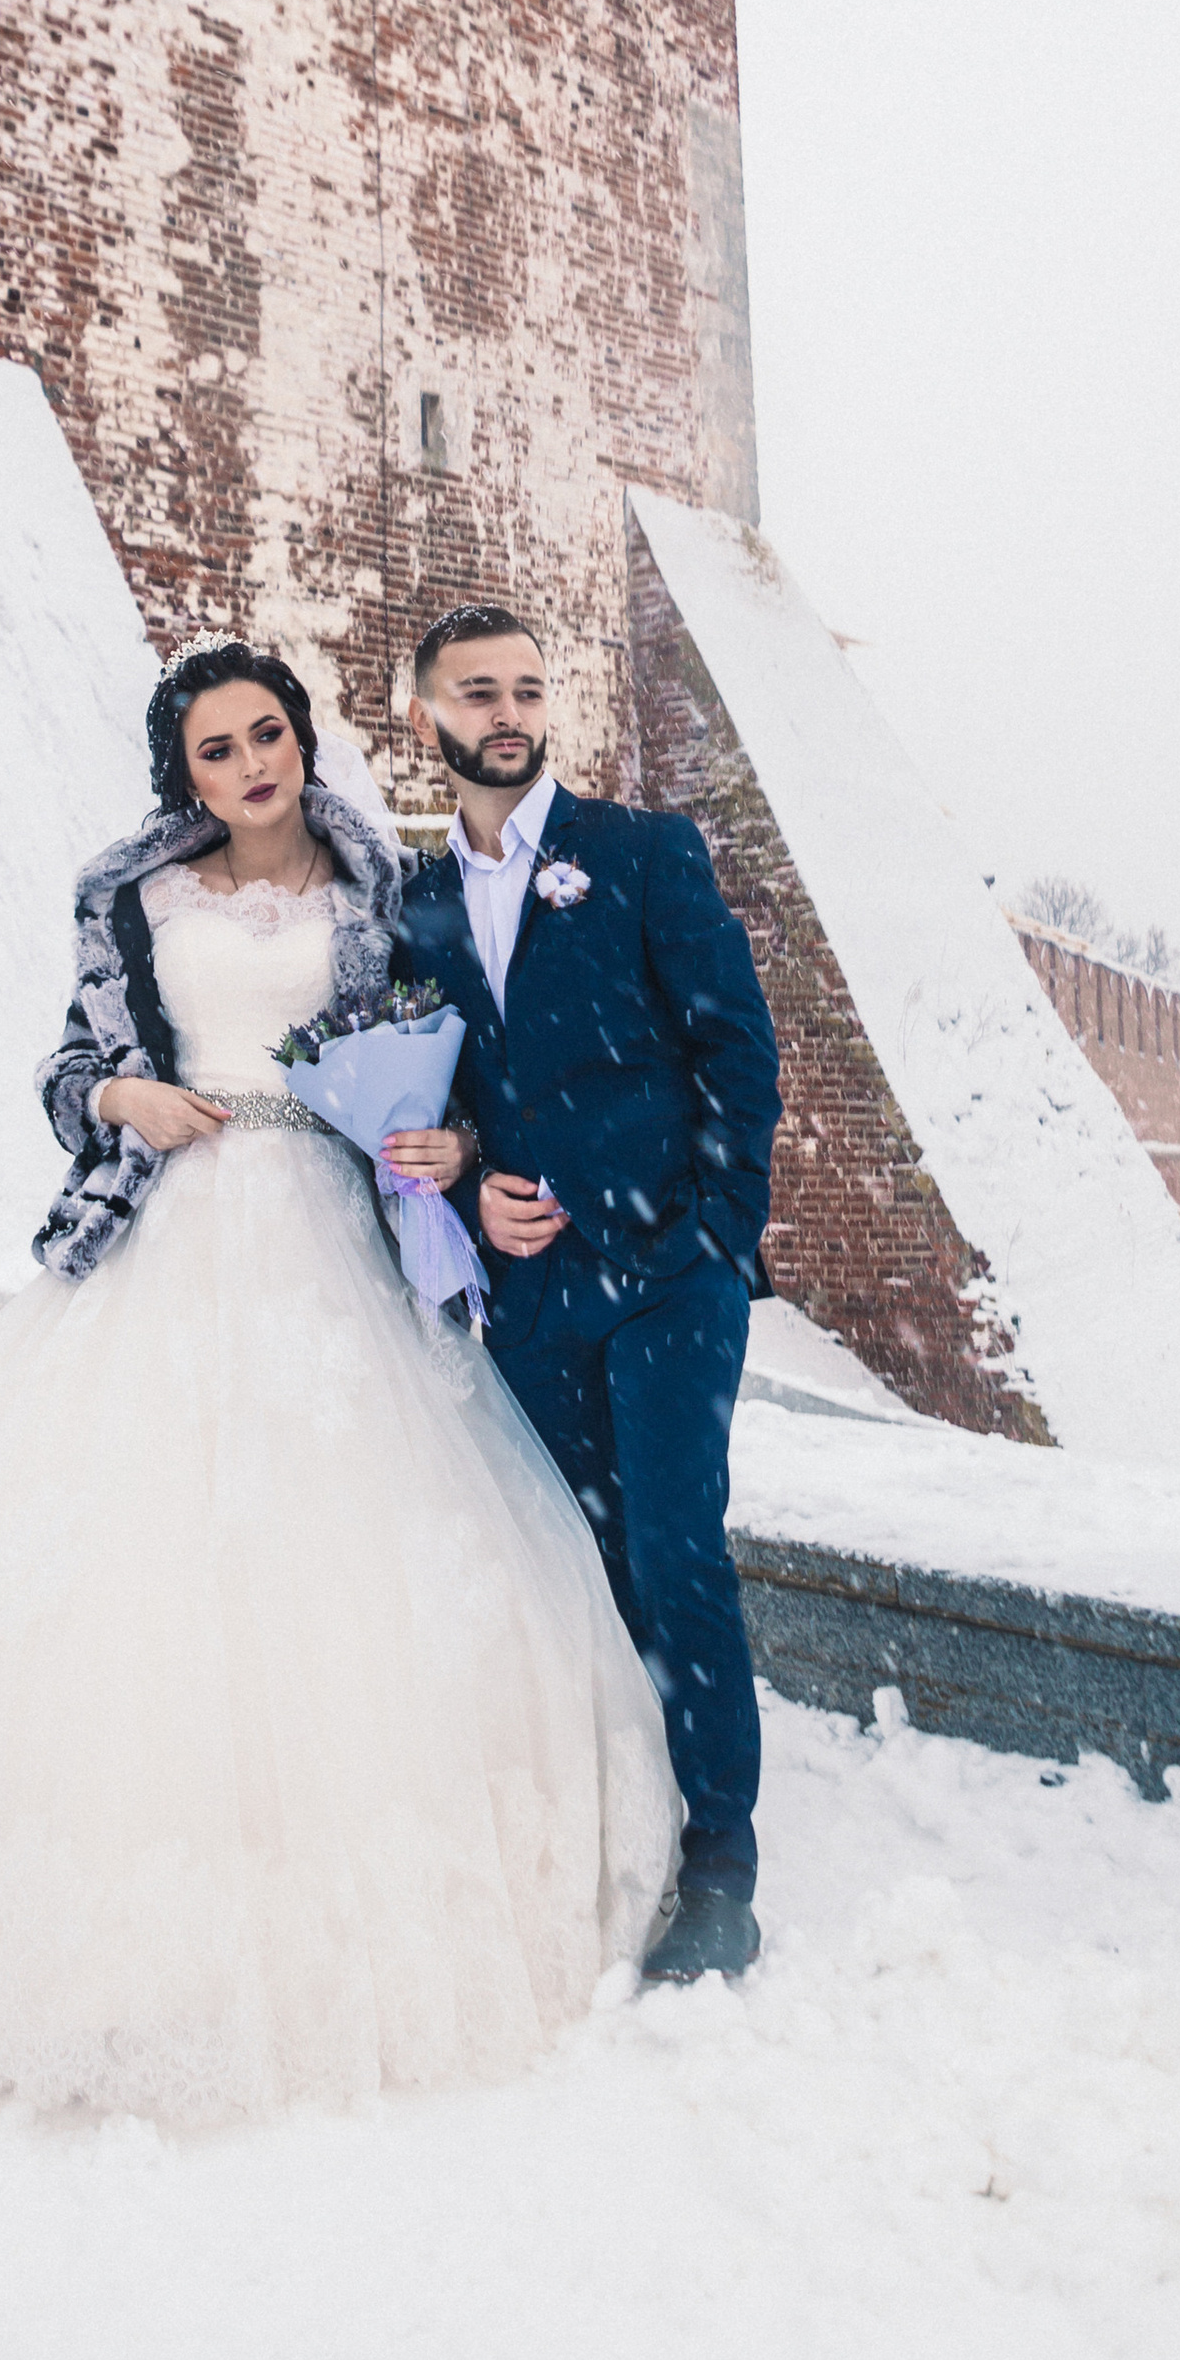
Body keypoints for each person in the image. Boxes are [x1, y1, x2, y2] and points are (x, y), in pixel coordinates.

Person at [0, 641, 679, 2129]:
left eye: (267, 737)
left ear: (304, 741)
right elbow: (69, 1069)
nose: (251, 768)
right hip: (170, 1227)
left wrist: (442, 1144)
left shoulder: (386, 891)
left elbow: (449, 1071)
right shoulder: (132, 897)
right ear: (181, 779)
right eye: (216, 753)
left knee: (343, 1562)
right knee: (134, 1569)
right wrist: (122, 1095)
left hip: (331, 1233)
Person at [394, 603, 782, 1985]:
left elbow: (738, 1046)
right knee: (580, 1567)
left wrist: (720, 1237)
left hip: (671, 1273)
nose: (507, 712)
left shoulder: (636, 854)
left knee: (679, 1554)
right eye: (476, 692)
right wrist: (471, 1181)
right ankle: (622, 1824)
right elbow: (432, 1101)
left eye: (526, 689)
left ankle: (722, 1864)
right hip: (535, 1294)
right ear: (425, 716)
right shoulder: (415, 902)